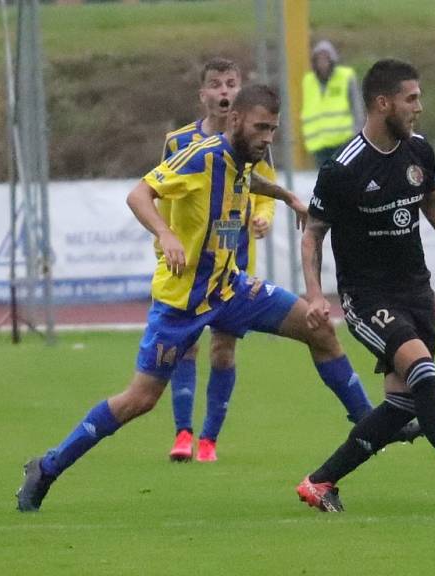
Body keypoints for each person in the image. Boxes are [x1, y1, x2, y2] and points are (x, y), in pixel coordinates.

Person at [16, 84, 378, 512]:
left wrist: (287, 197)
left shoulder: (243, 160)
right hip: (181, 303)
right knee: (140, 399)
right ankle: (49, 466)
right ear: (237, 120)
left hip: (232, 287)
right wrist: (166, 233)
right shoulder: (202, 156)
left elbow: (248, 180)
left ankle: (372, 422)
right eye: (261, 128)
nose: (267, 138)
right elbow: (139, 194)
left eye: (274, 130)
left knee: (319, 328)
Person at [296, 59, 435, 512]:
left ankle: (320, 482)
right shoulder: (343, 168)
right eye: (411, 99)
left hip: (415, 291)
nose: (419, 108)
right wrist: (316, 294)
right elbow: (312, 233)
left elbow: (431, 201)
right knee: (423, 373)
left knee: (404, 406)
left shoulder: (418, 152)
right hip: (367, 297)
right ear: (382, 103)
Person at [159, 58, 277, 463]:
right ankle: (182, 433)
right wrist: (165, 243)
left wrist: (263, 215)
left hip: (236, 263)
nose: (224, 91)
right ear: (203, 95)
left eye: (231, 83)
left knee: (223, 351)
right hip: (190, 267)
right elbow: (160, 194)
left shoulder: (254, 138)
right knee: (185, 346)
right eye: (216, 85)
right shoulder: (178, 142)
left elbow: (265, 191)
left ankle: (209, 438)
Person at [300, 40, 364, 168]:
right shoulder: (308, 81)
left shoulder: (345, 76)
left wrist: (357, 132)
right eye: (319, 59)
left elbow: (357, 106)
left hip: (343, 140)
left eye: (325, 58)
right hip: (318, 143)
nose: (322, 63)